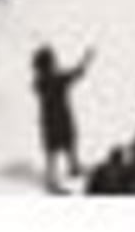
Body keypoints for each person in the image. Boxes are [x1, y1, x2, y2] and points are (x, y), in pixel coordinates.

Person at [31, 42, 92, 190]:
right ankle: (55, 179)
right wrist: (86, 60)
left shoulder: (40, 82)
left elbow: (70, 76)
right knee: (61, 145)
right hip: (60, 118)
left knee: (59, 146)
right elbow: (75, 74)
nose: (55, 63)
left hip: (50, 120)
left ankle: (70, 169)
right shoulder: (54, 80)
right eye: (52, 61)